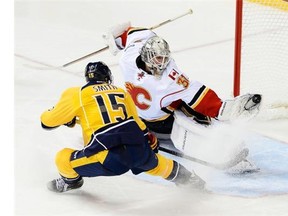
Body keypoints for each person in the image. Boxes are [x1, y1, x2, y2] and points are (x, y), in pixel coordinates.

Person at [40, 61, 206, 193]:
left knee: (62, 158)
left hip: (108, 158)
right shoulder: (121, 92)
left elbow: (47, 122)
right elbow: (139, 124)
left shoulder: (78, 93)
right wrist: (151, 141)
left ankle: (72, 182)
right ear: (108, 77)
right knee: (158, 165)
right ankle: (189, 179)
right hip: (137, 148)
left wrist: (66, 118)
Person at [103, 23, 262, 140]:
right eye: (158, 58)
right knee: (191, 107)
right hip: (159, 125)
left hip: (135, 113)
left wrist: (116, 40)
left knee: (178, 98)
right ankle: (207, 136)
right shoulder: (169, 80)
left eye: (165, 57)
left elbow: (133, 32)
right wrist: (222, 109)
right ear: (148, 56)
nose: (163, 63)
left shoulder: (128, 56)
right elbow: (198, 94)